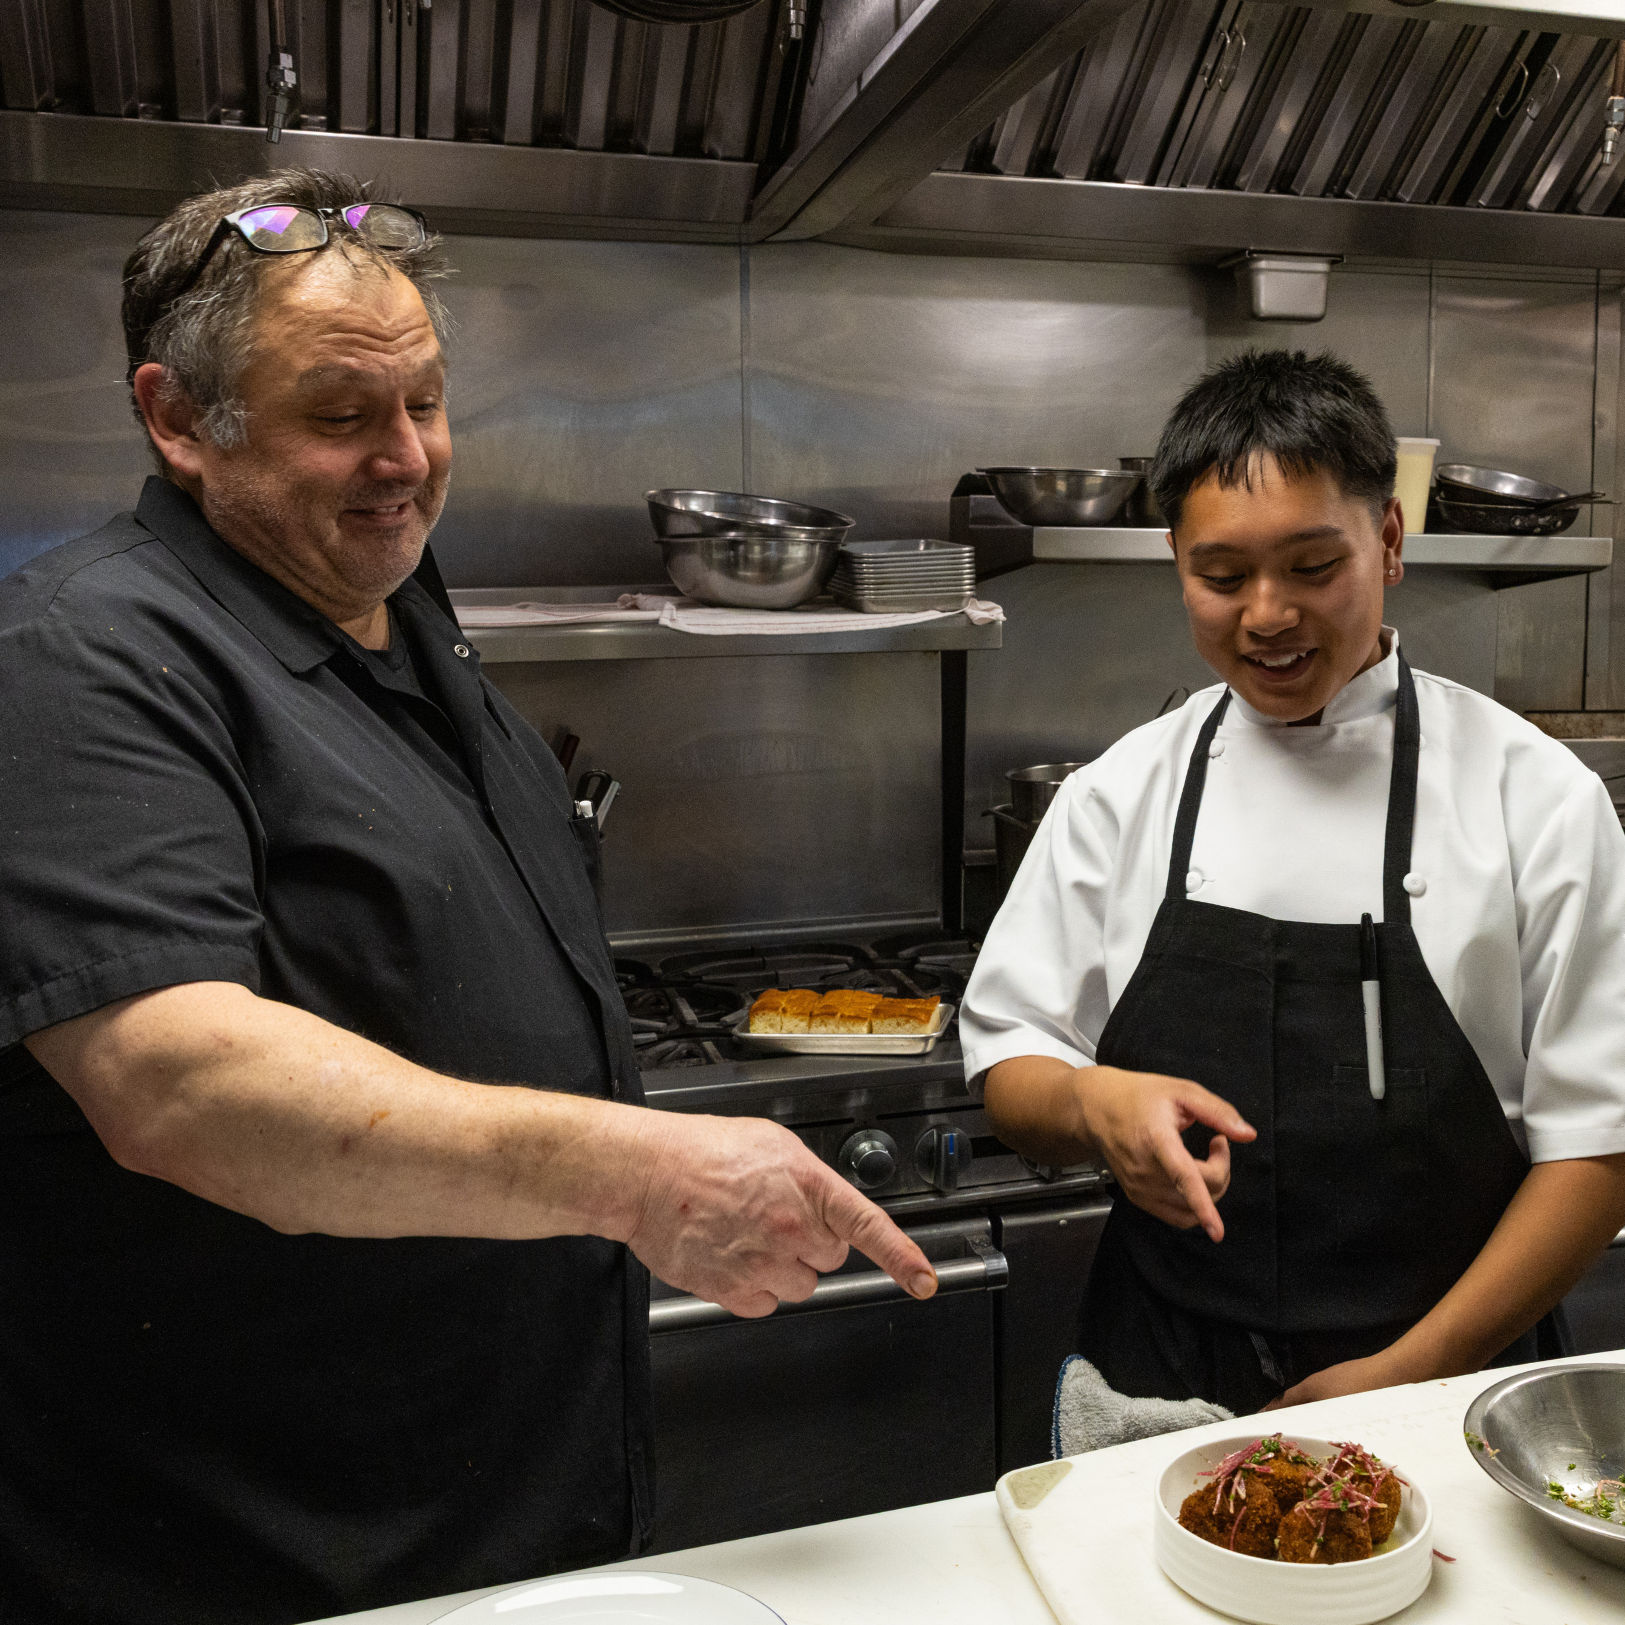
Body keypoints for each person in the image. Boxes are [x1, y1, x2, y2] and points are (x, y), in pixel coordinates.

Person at [0, 168, 936, 1625]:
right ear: (176, 421)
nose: (407, 459)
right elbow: (175, 1081)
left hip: (507, 1507)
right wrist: (641, 1171)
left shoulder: (397, 614)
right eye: (340, 415)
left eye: (428, 403)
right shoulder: (88, 658)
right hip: (264, 1547)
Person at [962, 350, 1625, 1415]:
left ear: (1389, 542)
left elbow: (1598, 1147)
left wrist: (1401, 1376)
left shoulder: (1531, 798)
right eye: (1219, 576)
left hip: (1441, 1379)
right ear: (1176, 563)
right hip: (1158, 1383)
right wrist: (1092, 1101)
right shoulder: (1120, 790)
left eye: (1312, 566)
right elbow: (1010, 1060)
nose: (1265, 614)